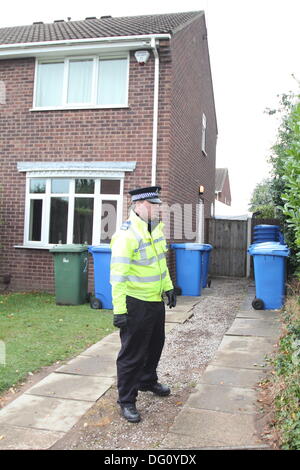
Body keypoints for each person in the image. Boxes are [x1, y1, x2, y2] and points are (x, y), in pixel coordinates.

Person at [110, 186, 176, 423]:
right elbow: (117, 277)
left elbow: (161, 262)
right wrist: (119, 310)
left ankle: (147, 381)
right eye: (152, 205)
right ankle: (126, 401)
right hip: (135, 303)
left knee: (156, 344)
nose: (157, 209)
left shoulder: (156, 230)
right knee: (132, 354)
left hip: (154, 301)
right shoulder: (126, 235)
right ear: (138, 206)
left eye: (157, 205)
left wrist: (168, 286)